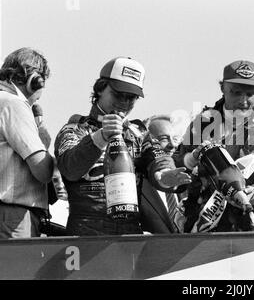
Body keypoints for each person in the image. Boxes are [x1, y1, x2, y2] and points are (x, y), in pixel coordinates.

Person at [176, 60, 254, 232]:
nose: (243, 101)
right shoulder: (202, 123)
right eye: (236, 93)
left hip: (247, 231)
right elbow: (178, 173)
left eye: (250, 94)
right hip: (200, 230)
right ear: (222, 88)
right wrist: (188, 162)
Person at [54, 57, 147, 236]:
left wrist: (166, 175)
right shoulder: (75, 129)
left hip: (130, 235)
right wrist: (100, 137)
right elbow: (70, 169)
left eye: (132, 98)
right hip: (86, 233)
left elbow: (160, 161)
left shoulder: (139, 133)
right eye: (118, 94)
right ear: (100, 89)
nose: (125, 102)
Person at [0, 47, 54, 238]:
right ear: (36, 81)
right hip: (12, 216)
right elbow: (43, 171)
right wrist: (44, 144)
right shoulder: (13, 104)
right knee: (15, 268)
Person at [137, 115, 191, 233]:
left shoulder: (185, 179)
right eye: (164, 139)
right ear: (146, 143)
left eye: (176, 138)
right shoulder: (135, 183)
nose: (173, 145)